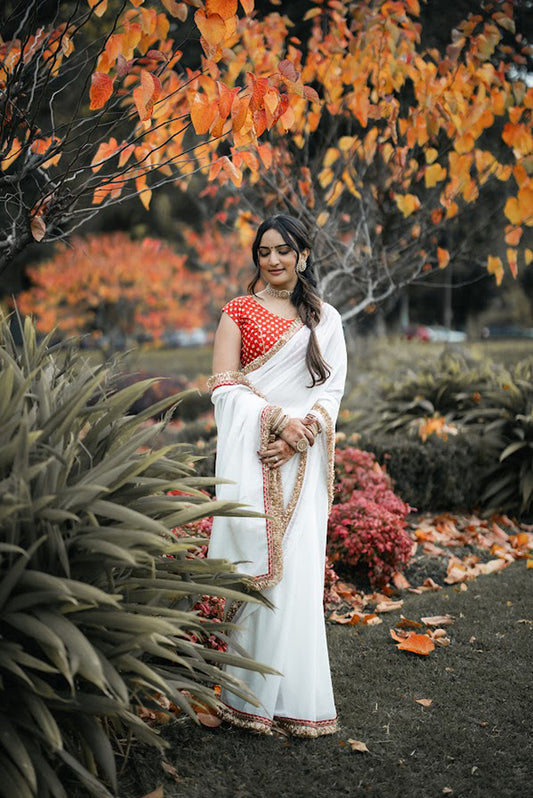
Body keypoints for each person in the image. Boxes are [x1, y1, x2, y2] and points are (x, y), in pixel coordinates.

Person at [207, 214, 347, 737]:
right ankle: (248, 700)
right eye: (263, 251)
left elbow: (330, 393)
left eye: (283, 250)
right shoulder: (238, 311)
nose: (273, 260)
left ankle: (298, 702)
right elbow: (223, 386)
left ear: (303, 255)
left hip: (303, 460)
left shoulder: (325, 319)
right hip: (255, 455)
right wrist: (274, 421)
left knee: (299, 577)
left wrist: (298, 434)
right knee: (261, 572)